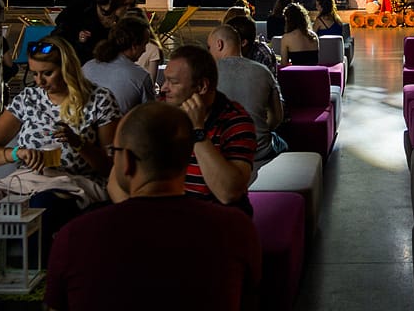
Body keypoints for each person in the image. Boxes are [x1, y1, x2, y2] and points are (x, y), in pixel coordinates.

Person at [45, 103, 261, 311]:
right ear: (186, 158)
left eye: (114, 151)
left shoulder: (75, 235)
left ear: (127, 161)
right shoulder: (235, 229)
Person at [0, 37, 120, 256]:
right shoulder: (29, 99)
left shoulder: (99, 100)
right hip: (26, 182)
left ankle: (41, 273)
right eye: (34, 73)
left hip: (71, 184)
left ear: (67, 69)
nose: (39, 81)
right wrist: (18, 153)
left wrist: (79, 144)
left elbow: (111, 167)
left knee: (42, 206)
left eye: (47, 73)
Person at [157, 44, 254, 215]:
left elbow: (229, 193)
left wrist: (197, 131)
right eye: (165, 80)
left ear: (202, 86)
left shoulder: (235, 120)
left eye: (173, 82)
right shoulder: (161, 110)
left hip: (215, 219)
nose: (164, 88)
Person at [207, 24, 284, 166]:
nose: (209, 52)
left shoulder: (207, 75)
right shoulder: (263, 71)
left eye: (209, 47)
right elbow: (277, 117)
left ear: (219, 44)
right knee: (283, 143)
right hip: (259, 151)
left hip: (221, 153)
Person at [81, 14, 156, 114]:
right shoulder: (140, 77)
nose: (145, 50)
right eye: (144, 44)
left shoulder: (87, 67)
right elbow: (150, 116)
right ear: (134, 46)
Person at [51, 0, 137, 64]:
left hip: (94, 64)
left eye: (131, 5)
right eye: (125, 4)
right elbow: (61, 22)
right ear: (115, 0)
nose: (128, 8)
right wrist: (77, 34)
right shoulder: (85, 5)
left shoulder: (120, 20)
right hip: (68, 57)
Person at [225, 13, 280, 82]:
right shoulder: (226, 53)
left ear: (243, 43)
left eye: (228, 39)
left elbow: (263, 85)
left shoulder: (262, 54)